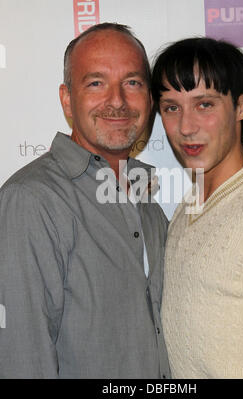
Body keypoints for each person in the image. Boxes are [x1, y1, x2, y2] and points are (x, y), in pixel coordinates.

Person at [0, 23, 170, 379]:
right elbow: (22, 356)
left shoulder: (149, 203)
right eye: (96, 83)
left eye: (133, 83)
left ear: (150, 99)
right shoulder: (32, 199)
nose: (117, 101)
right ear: (66, 99)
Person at [151, 37, 243, 378]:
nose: (186, 127)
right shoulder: (187, 207)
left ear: (242, 106)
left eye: (205, 105)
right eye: (172, 107)